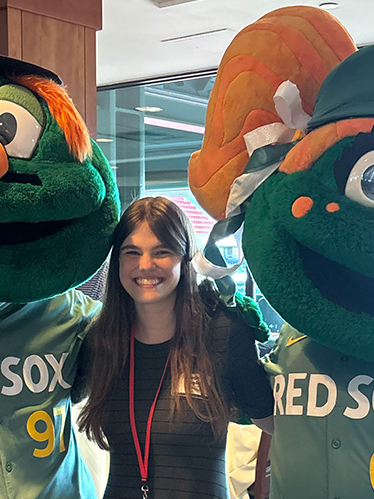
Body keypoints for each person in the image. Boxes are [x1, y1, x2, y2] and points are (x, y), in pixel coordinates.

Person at [77, 196, 274, 499]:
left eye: (162, 252)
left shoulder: (223, 331)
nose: (145, 265)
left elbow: (279, 425)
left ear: (185, 258)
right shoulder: (102, 340)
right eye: (132, 252)